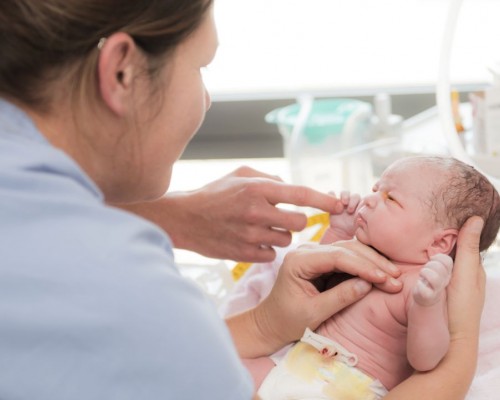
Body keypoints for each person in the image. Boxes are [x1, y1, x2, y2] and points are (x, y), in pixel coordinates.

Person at [0, 1, 489, 399]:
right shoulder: (130, 300)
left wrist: (169, 217)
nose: (206, 99)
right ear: (122, 72)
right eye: (201, 67)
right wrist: (459, 354)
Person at [226, 156, 500, 399]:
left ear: (439, 244)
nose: (369, 199)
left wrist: (427, 304)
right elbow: (314, 287)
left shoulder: (423, 285)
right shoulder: (358, 253)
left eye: (390, 199)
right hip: (288, 365)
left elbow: (426, 360)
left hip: (346, 388)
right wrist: (338, 234)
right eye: (375, 189)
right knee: (218, 367)